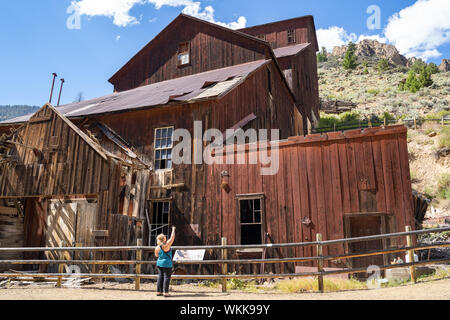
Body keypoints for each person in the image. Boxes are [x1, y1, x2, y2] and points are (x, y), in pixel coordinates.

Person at [155, 226, 176, 297]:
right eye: (164, 237)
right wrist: (173, 230)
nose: (165, 237)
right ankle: (165, 292)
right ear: (163, 239)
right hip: (167, 263)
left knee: (160, 276)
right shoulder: (166, 245)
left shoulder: (157, 247)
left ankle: (158, 291)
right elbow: (172, 238)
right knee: (167, 277)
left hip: (159, 263)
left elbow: (156, 255)